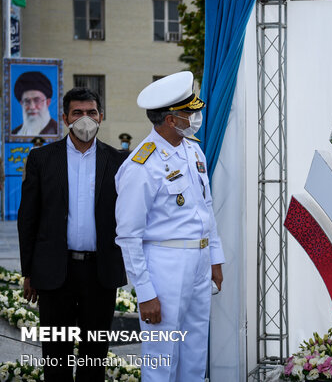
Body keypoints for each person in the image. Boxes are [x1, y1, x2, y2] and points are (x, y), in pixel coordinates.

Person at [115, 71, 224, 382]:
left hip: (199, 264)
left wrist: (215, 258)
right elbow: (128, 235)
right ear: (169, 120)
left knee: (194, 350)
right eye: (188, 112)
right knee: (162, 356)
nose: (195, 117)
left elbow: (206, 210)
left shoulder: (193, 150)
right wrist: (145, 292)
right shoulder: (141, 164)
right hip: (165, 265)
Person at [18, 87, 128, 382]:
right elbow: (28, 218)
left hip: (100, 273)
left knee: (95, 355)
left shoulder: (119, 161)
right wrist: (29, 272)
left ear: (101, 117)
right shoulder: (42, 158)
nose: (85, 119)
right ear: (65, 117)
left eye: (91, 112)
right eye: (77, 113)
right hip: (55, 273)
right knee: (56, 355)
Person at [11, 71, 58, 135]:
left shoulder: (57, 131)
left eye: (37, 100)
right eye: (27, 101)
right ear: (21, 103)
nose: (32, 107)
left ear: (47, 102)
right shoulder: (15, 133)